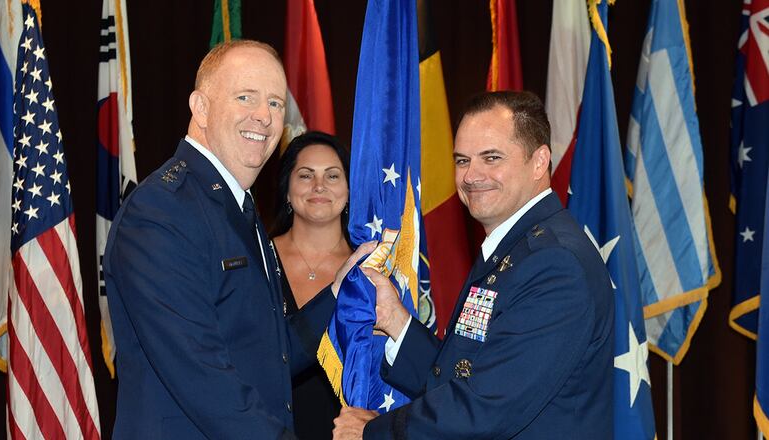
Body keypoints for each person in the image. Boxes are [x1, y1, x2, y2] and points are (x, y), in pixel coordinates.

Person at [104, 40, 372, 440]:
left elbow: (272, 352)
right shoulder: (160, 212)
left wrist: (338, 291)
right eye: (245, 97)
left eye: (275, 103)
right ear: (201, 107)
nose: (263, 116)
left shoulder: (237, 206)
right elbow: (201, 376)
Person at [333, 91, 615, 439]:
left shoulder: (554, 264)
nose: (471, 176)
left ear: (539, 162)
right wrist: (396, 320)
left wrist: (372, 433)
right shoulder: (513, 247)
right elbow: (464, 373)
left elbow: (487, 407)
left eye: (491, 158)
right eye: (462, 160)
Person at [270, 131, 352, 439]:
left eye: (332, 176)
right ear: (287, 189)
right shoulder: (256, 259)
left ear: (348, 189)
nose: (319, 186)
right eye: (306, 175)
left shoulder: (370, 269)